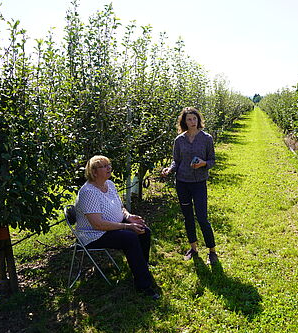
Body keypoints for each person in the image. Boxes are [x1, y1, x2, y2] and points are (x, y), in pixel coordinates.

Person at [75, 155, 159, 300]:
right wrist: (127, 226)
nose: (109, 168)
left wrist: (129, 216)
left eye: (109, 165)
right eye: (104, 166)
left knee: (144, 231)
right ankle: (143, 285)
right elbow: (98, 224)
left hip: (112, 228)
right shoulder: (88, 192)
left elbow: (121, 208)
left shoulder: (110, 184)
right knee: (130, 237)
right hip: (94, 234)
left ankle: (141, 269)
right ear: (94, 172)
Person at [161, 107, 218, 265]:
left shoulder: (206, 138)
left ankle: (212, 251)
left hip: (199, 183)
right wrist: (170, 169)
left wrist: (203, 163)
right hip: (182, 183)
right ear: (184, 122)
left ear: (199, 120)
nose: (192, 122)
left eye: (195, 119)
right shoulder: (179, 140)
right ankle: (193, 248)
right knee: (188, 217)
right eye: (189, 119)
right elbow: (176, 161)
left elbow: (212, 160)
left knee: (202, 217)